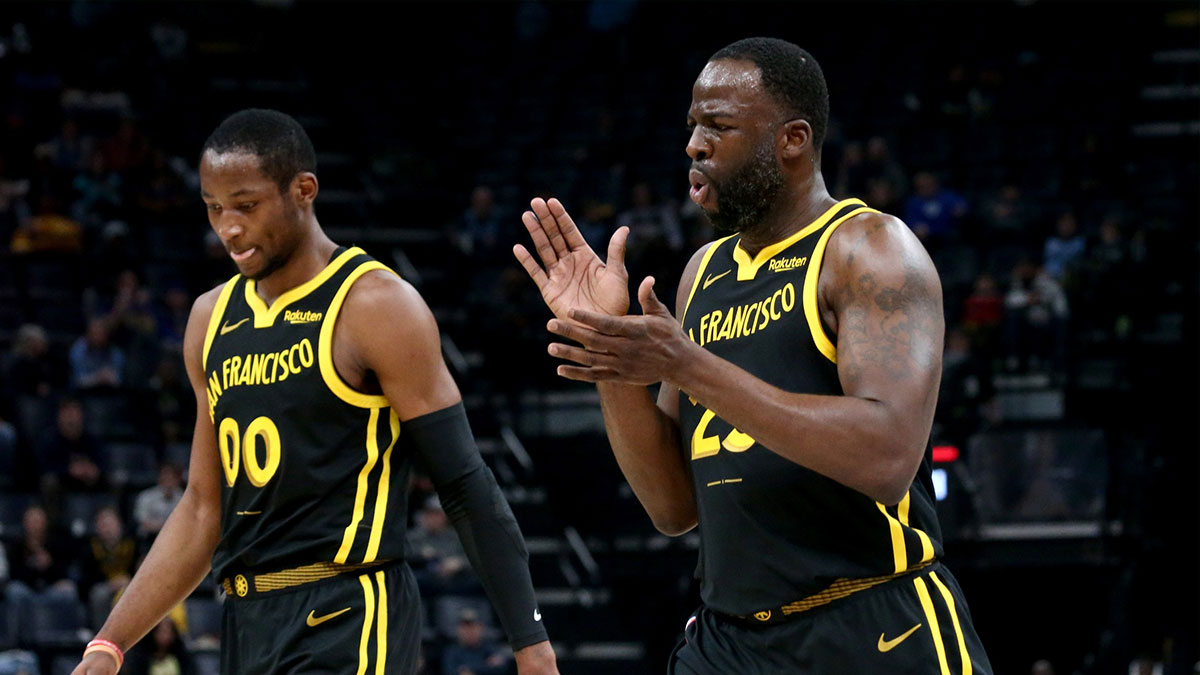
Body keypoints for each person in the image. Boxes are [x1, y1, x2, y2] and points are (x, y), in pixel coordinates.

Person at [514, 38, 991, 673]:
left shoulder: (868, 249)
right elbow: (672, 507)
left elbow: (887, 457)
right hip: (729, 641)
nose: (693, 145)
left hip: (871, 624)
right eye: (691, 126)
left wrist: (685, 364)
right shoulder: (702, 274)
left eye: (719, 126)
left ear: (792, 140)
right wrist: (609, 346)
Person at [72, 109, 557, 675]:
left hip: (350, 609)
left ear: (303, 190)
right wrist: (108, 645)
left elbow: (464, 481)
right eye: (214, 207)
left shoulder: (375, 305)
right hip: (246, 617)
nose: (228, 227)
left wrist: (531, 643)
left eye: (246, 206)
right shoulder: (211, 318)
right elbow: (205, 507)